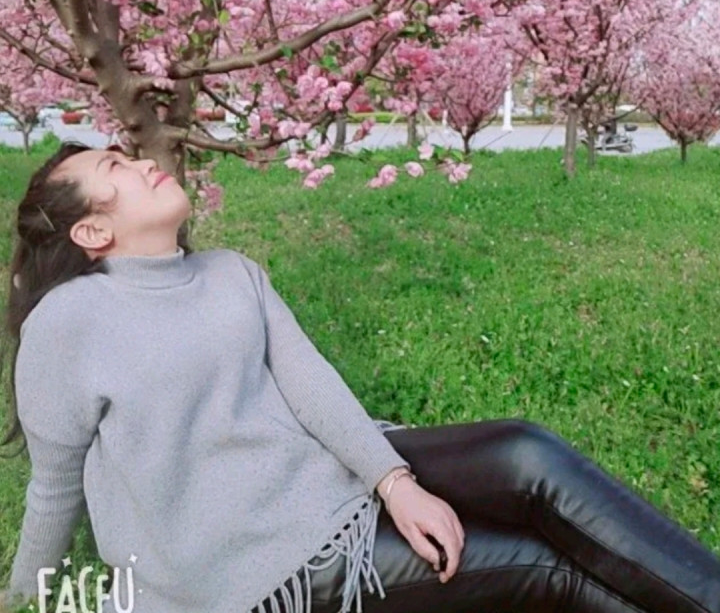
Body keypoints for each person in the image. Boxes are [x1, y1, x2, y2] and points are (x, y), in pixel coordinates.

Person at [0, 141, 718, 613]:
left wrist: (395, 483)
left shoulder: (230, 273)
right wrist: (26, 596)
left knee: (526, 454)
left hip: (324, 477)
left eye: (127, 155)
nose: (140, 163)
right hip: (254, 556)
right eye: (115, 169)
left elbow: (309, 384)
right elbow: (56, 486)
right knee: (543, 568)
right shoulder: (67, 324)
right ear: (92, 232)